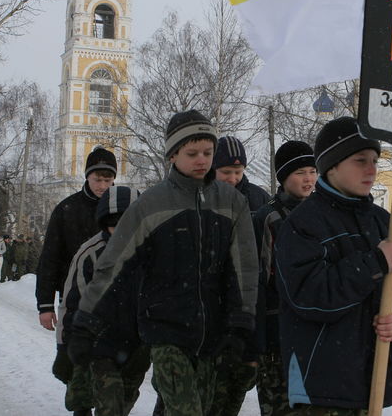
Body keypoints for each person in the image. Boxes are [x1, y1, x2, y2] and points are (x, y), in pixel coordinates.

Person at [68, 109, 259, 416]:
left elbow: (245, 267)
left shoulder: (232, 202)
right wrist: (86, 323)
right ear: (172, 155)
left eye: (208, 152)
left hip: (213, 334)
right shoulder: (151, 204)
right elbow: (112, 265)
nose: (201, 160)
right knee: (186, 411)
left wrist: (242, 321)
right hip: (167, 332)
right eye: (192, 153)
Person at [274, 116, 392, 413]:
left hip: (373, 380)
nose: (371, 169)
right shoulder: (303, 223)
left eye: (374, 160)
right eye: (360, 160)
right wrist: (376, 262)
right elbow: (309, 296)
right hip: (320, 385)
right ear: (332, 165)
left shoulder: (387, 223)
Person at [38, 146, 116, 416]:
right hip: (75, 297)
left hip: (114, 299)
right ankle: (80, 405)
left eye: (108, 180)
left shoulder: (125, 206)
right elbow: (50, 258)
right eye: (98, 180)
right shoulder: (67, 209)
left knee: (111, 359)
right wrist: (45, 304)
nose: (103, 186)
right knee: (76, 357)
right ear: (87, 177)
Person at [57, 186, 149, 416]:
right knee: (109, 405)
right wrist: (64, 347)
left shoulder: (152, 250)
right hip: (100, 342)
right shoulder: (90, 253)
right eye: (113, 224)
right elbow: (71, 302)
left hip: (137, 345)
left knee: (124, 401)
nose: (120, 232)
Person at [252, 141, 317, 416]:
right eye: (300, 172)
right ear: (283, 177)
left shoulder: (323, 214)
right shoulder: (268, 217)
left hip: (315, 331)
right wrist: (259, 335)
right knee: (278, 406)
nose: (309, 179)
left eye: (313, 171)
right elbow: (257, 280)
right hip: (276, 331)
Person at [208, 135, 270, 416]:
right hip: (209, 302)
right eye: (226, 172)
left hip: (248, 301)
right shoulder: (201, 195)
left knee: (236, 388)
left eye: (238, 172)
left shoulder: (258, 199)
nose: (233, 178)